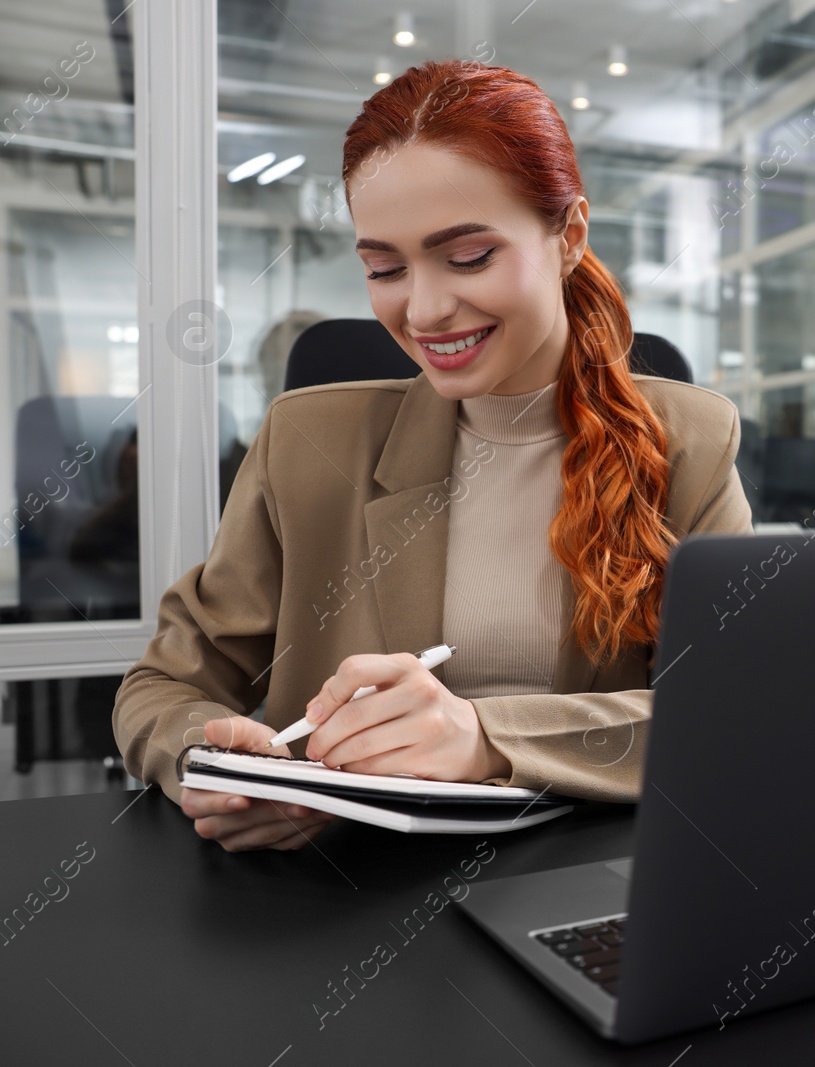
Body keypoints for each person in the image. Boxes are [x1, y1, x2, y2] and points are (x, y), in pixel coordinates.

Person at [112, 60, 752, 852]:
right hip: (338, 890)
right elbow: (162, 685)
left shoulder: (688, 440)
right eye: (384, 268)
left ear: (569, 238)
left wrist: (484, 736)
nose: (422, 309)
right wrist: (218, 764)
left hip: (584, 880)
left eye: (469, 256)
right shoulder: (305, 443)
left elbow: (731, 712)